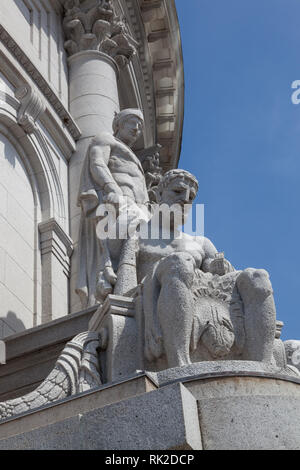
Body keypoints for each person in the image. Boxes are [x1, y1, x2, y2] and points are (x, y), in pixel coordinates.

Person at [137, 169, 277, 368]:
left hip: (204, 293)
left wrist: (220, 266)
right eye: (177, 192)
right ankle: (179, 362)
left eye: (190, 197)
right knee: (180, 262)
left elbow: (225, 275)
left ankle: (262, 365)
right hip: (159, 289)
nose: (184, 200)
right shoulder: (138, 235)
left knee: (258, 276)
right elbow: (124, 280)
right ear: (158, 195)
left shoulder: (200, 242)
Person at [76, 108, 149, 308]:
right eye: (132, 123)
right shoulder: (106, 138)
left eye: (140, 126)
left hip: (140, 207)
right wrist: (111, 187)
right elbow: (98, 162)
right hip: (119, 202)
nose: (137, 129)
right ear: (118, 124)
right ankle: (107, 275)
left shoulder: (133, 156)